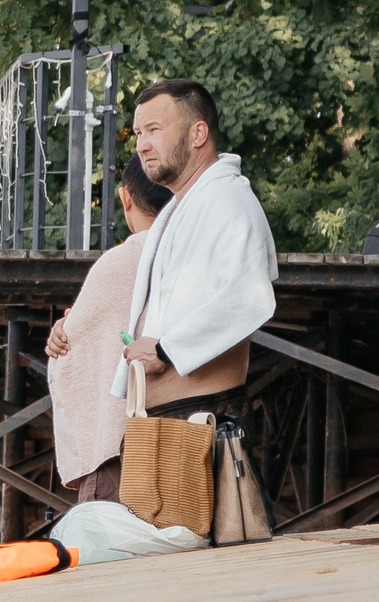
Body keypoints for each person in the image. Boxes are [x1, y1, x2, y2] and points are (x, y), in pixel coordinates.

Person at [110, 79, 278, 428]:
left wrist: (165, 350)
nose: (142, 145)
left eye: (154, 129)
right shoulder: (180, 207)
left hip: (204, 418)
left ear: (198, 134)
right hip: (164, 418)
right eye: (139, 133)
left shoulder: (228, 199)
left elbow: (250, 297)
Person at [46, 158, 171, 501]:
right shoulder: (190, 252)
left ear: (125, 197)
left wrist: (62, 330)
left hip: (118, 447)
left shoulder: (116, 263)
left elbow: (70, 351)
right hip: (183, 440)